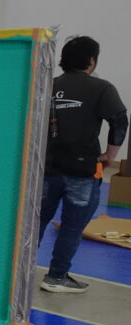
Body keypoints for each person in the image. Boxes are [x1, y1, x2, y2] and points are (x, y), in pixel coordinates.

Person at [37, 36, 127, 293]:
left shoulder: (48, 86)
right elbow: (119, 120)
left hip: (46, 170)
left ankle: (15, 275)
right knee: (72, 227)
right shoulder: (101, 88)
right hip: (81, 171)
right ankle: (56, 277)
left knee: (36, 222)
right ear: (91, 60)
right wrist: (110, 155)